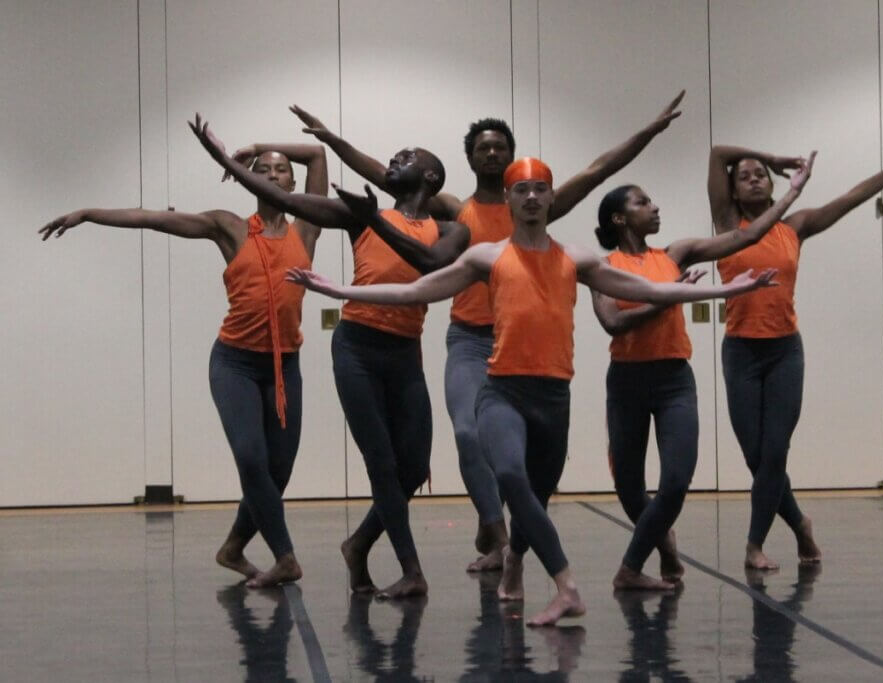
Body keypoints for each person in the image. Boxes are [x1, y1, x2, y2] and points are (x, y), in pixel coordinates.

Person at [283, 157, 780, 625]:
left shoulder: (575, 258)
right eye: (522, 190)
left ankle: (516, 558)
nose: (533, 197)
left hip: (553, 398)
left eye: (541, 189)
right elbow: (416, 290)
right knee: (513, 479)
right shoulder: (487, 256)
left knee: (535, 497)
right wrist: (341, 291)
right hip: (502, 392)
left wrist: (727, 290)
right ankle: (566, 585)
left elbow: (655, 290)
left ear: (550, 198)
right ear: (510, 199)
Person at [289, 91, 686, 571]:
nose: (492, 153)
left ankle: (509, 537)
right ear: (470, 159)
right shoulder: (457, 209)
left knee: (529, 459)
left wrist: (649, 132)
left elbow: (598, 170)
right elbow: (384, 176)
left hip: (524, 346)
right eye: (483, 148)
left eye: (501, 146)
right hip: (470, 339)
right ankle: (494, 528)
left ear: (513, 158)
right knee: (467, 430)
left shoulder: (535, 203)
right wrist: (335, 141)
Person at [189, 115, 469, 599]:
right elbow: (286, 199)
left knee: (412, 467)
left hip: (405, 353)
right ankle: (411, 570)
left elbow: (431, 266)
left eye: (407, 156)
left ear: (430, 177)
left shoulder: (450, 230)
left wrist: (375, 217)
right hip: (357, 347)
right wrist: (222, 157)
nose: (395, 159)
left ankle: (359, 543)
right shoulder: (358, 215)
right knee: (381, 464)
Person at [40, 137, 329, 587]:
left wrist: (258, 144)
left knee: (279, 471)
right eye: (264, 169)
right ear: (249, 180)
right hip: (234, 364)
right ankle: (285, 557)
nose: (274, 175)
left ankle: (233, 548)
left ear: (293, 180)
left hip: (284, 366)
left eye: (281, 170)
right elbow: (153, 220)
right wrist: (88, 213)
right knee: (253, 461)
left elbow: (317, 155)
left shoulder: (307, 228)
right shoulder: (230, 227)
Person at [708, 140, 883, 570]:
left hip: (783, 352)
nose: (755, 178)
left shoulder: (794, 226)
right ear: (734, 192)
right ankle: (799, 524)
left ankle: (754, 545)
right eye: (745, 175)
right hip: (740, 352)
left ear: (773, 186)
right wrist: (774, 156)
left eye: (761, 173)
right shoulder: (727, 225)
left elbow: (852, 197)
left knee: (775, 452)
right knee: (756, 458)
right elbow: (719, 151)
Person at [591, 153, 814, 590]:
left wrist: (792, 192)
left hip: (675, 380)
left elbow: (749, 235)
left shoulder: (677, 253)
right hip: (628, 382)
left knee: (675, 481)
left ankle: (630, 568)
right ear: (620, 218)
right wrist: (667, 298)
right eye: (643, 202)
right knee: (630, 489)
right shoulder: (602, 268)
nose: (655, 207)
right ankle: (665, 547)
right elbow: (612, 323)